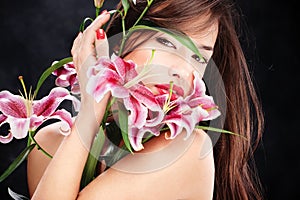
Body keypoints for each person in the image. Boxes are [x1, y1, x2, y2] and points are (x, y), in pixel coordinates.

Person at [27, 0, 264, 199]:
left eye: (199, 57)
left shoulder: (186, 149)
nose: (181, 70)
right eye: (166, 42)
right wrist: (91, 110)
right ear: (120, 41)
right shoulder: (49, 142)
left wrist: (91, 111)